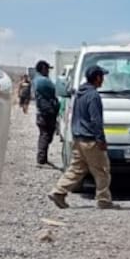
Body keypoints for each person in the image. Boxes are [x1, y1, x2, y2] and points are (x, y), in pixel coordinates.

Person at [48, 64, 115, 209]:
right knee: (102, 170)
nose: (103, 80)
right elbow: (96, 120)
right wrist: (101, 140)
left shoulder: (79, 94)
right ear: (97, 78)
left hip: (78, 138)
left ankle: (58, 191)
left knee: (77, 168)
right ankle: (104, 200)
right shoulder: (93, 96)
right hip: (90, 140)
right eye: (102, 77)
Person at [33, 60, 59, 165]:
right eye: (47, 68)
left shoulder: (38, 80)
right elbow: (55, 90)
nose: (48, 71)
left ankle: (43, 158)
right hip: (46, 113)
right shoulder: (42, 81)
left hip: (44, 113)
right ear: (43, 68)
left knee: (45, 135)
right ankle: (41, 159)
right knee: (45, 135)